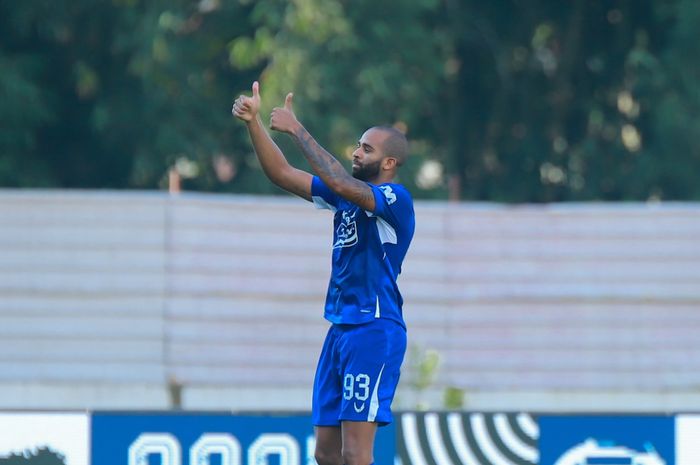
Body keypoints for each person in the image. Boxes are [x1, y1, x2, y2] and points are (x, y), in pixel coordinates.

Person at [232, 81, 415, 465]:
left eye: (367, 148)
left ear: (389, 163)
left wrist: (297, 129)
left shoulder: (396, 199)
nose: (356, 151)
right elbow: (282, 173)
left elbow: (339, 181)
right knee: (326, 452)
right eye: (358, 144)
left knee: (354, 452)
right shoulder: (344, 198)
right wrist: (254, 124)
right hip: (340, 330)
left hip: (374, 329)